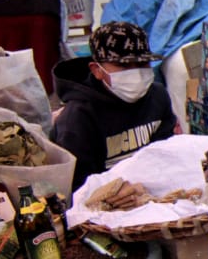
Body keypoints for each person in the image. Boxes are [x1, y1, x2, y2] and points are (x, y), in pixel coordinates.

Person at [49, 22, 176, 189]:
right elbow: (79, 186)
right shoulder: (78, 117)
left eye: (142, 64)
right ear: (97, 70)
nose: (136, 73)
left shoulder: (158, 96)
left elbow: (166, 154)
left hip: (153, 189)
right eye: (123, 65)